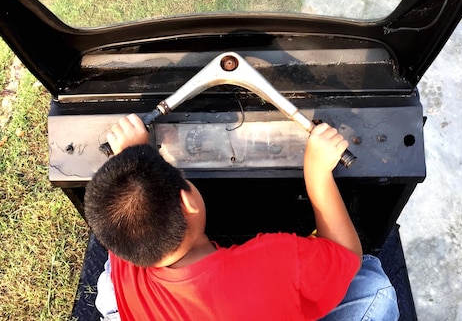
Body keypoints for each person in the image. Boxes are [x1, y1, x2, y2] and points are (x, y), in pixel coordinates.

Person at [85, 114, 399, 321]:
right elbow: (347, 254)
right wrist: (317, 173)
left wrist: (133, 155)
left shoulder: (127, 253)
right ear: (187, 202)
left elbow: (129, 206)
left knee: (112, 286)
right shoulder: (274, 263)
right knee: (372, 285)